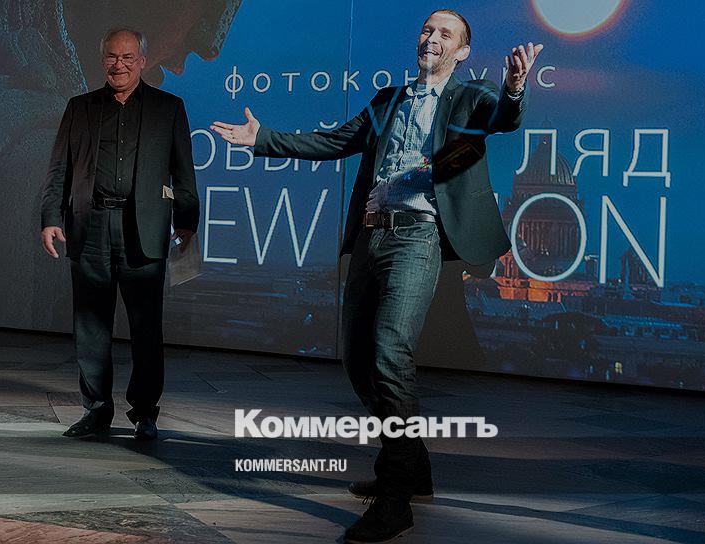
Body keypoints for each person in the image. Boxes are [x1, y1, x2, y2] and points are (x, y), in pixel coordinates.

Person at [211, 9, 542, 543]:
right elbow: (334, 142)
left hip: (418, 238)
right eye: (428, 30)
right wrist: (262, 138)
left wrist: (515, 87)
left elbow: (503, 117)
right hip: (371, 236)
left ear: (461, 52)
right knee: (357, 359)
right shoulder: (388, 100)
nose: (432, 38)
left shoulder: (470, 97)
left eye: (446, 34)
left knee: (390, 352)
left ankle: (395, 499)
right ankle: (413, 465)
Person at [40, 27, 199, 441]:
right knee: (91, 327)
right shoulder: (79, 107)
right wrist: (50, 217)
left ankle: (145, 412)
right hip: (89, 226)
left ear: (142, 61)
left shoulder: (169, 108)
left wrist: (187, 222)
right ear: (102, 60)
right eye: (112, 56)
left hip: (142, 230)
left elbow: (183, 171)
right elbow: (59, 168)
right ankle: (96, 410)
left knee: (146, 328)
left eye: (128, 57)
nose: (119, 65)